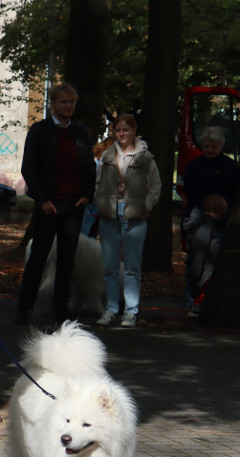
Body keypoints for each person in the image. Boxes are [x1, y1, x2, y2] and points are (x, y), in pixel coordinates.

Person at [15, 83, 95, 325]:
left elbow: (90, 167)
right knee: (38, 259)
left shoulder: (81, 133)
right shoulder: (39, 131)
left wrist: (86, 195)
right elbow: (28, 168)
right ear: (53, 103)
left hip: (74, 206)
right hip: (47, 206)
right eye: (64, 102)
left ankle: (61, 309)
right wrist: (43, 200)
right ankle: (24, 308)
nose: (68, 106)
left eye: (72, 102)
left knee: (66, 260)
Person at [94, 113, 161, 328]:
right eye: (118, 130)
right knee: (110, 266)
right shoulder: (106, 156)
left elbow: (155, 187)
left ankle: (131, 311)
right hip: (109, 214)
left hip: (134, 214)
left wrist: (145, 206)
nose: (121, 134)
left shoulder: (145, 157)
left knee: (132, 266)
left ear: (134, 131)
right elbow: (98, 181)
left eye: (126, 130)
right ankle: (111, 308)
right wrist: (101, 201)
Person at [181, 126, 240, 310]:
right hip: (198, 220)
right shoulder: (194, 166)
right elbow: (188, 192)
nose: (209, 150)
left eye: (213, 146)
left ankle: (209, 302)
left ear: (221, 145)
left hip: (221, 221)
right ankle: (191, 301)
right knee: (194, 263)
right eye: (206, 146)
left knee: (214, 265)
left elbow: (236, 193)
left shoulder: (230, 167)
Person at [183, 194, 227, 314]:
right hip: (203, 270)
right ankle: (195, 309)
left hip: (203, 268)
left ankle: (195, 307)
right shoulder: (205, 227)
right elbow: (199, 251)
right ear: (213, 211)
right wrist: (197, 272)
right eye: (219, 214)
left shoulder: (203, 224)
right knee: (200, 293)